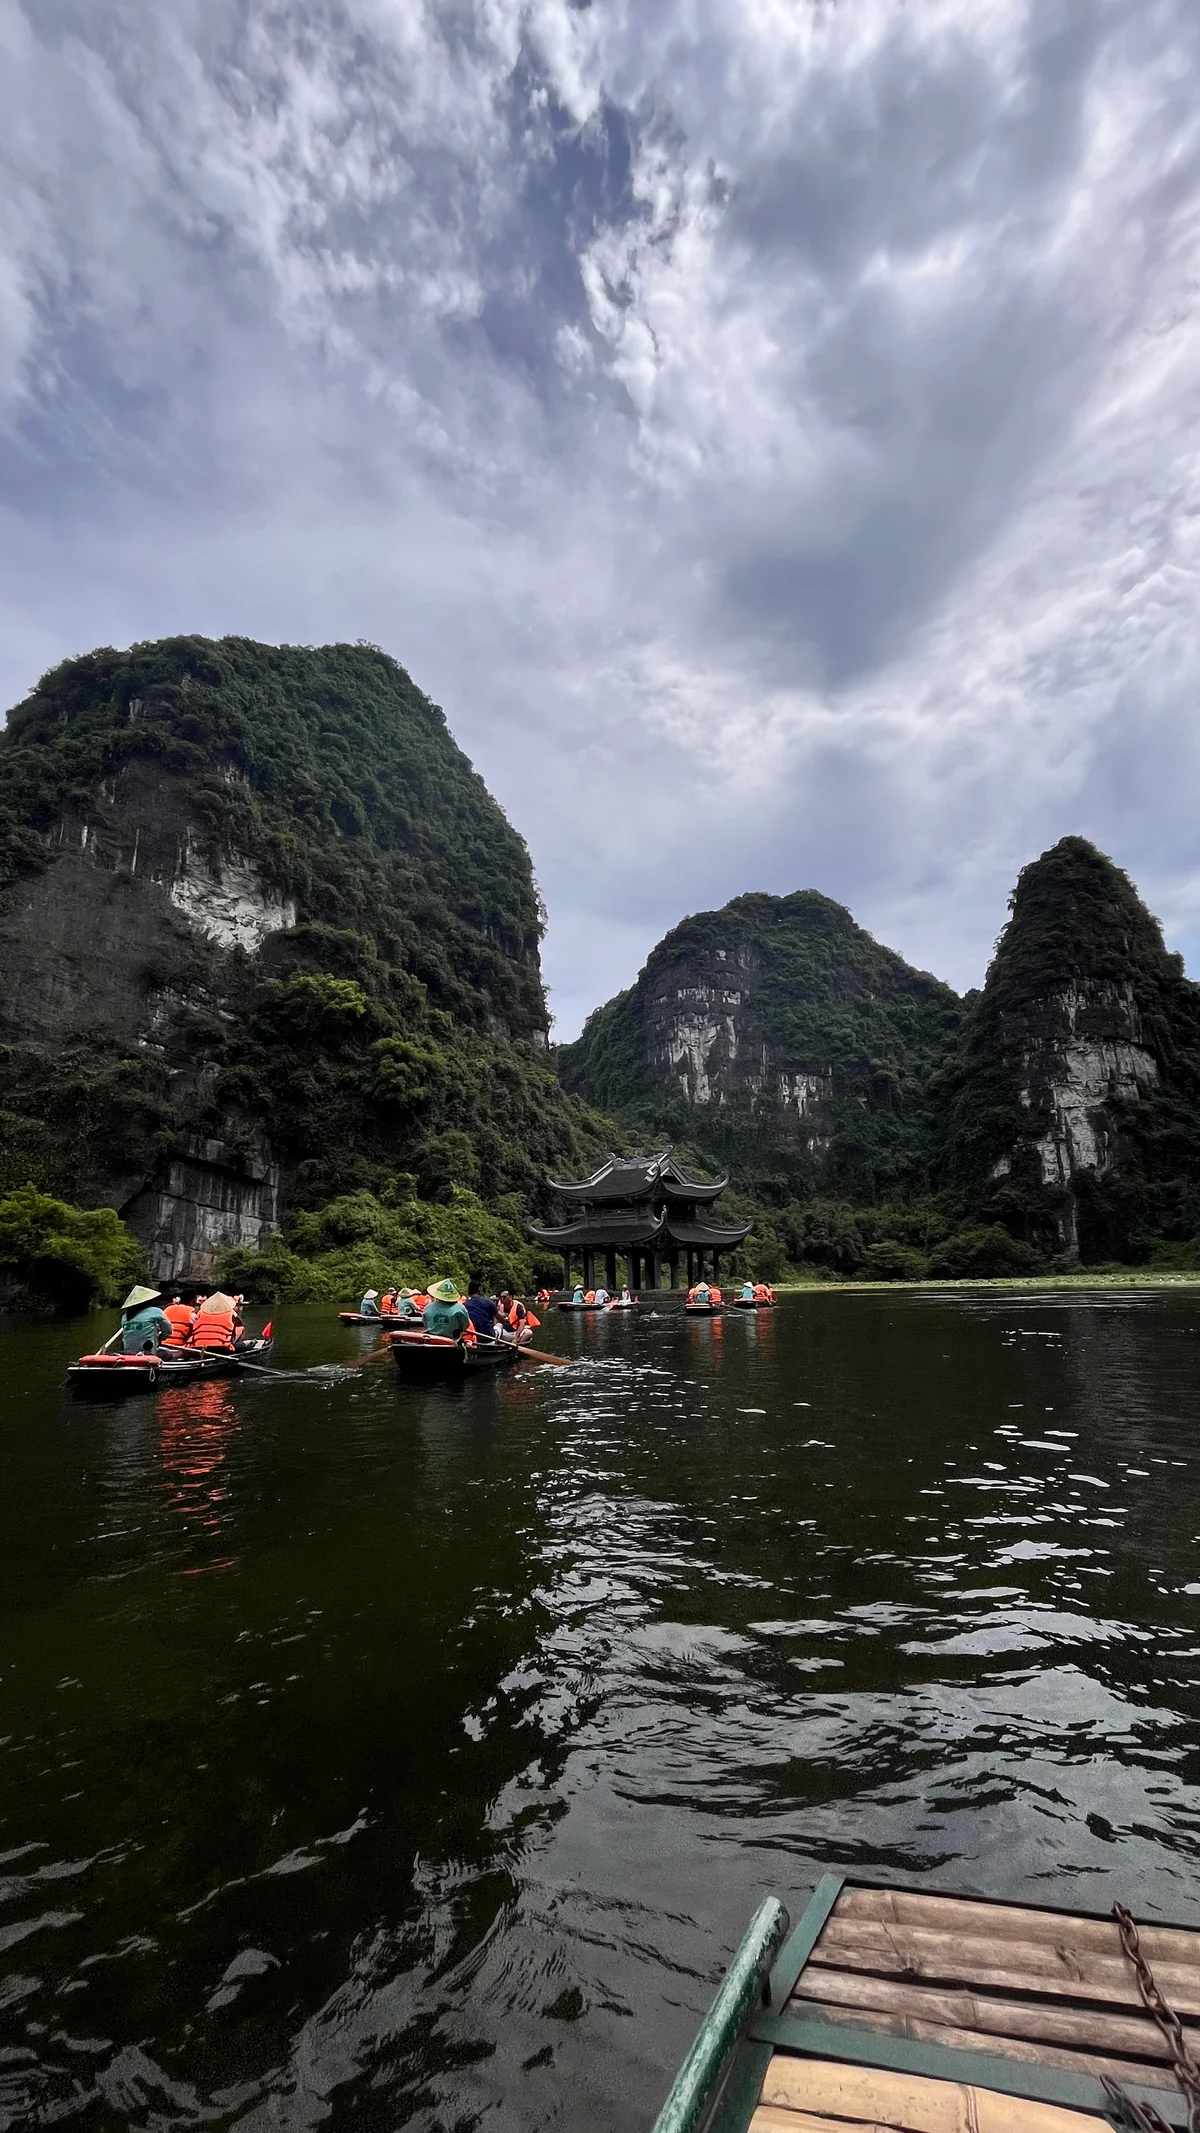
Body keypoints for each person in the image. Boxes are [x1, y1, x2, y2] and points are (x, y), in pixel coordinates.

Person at [120, 1285, 173, 1353]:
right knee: (168, 1354)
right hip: (148, 1352)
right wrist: (160, 1338)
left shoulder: (125, 1316)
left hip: (127, 1352)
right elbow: (168, 1330)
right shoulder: (155, 1311)